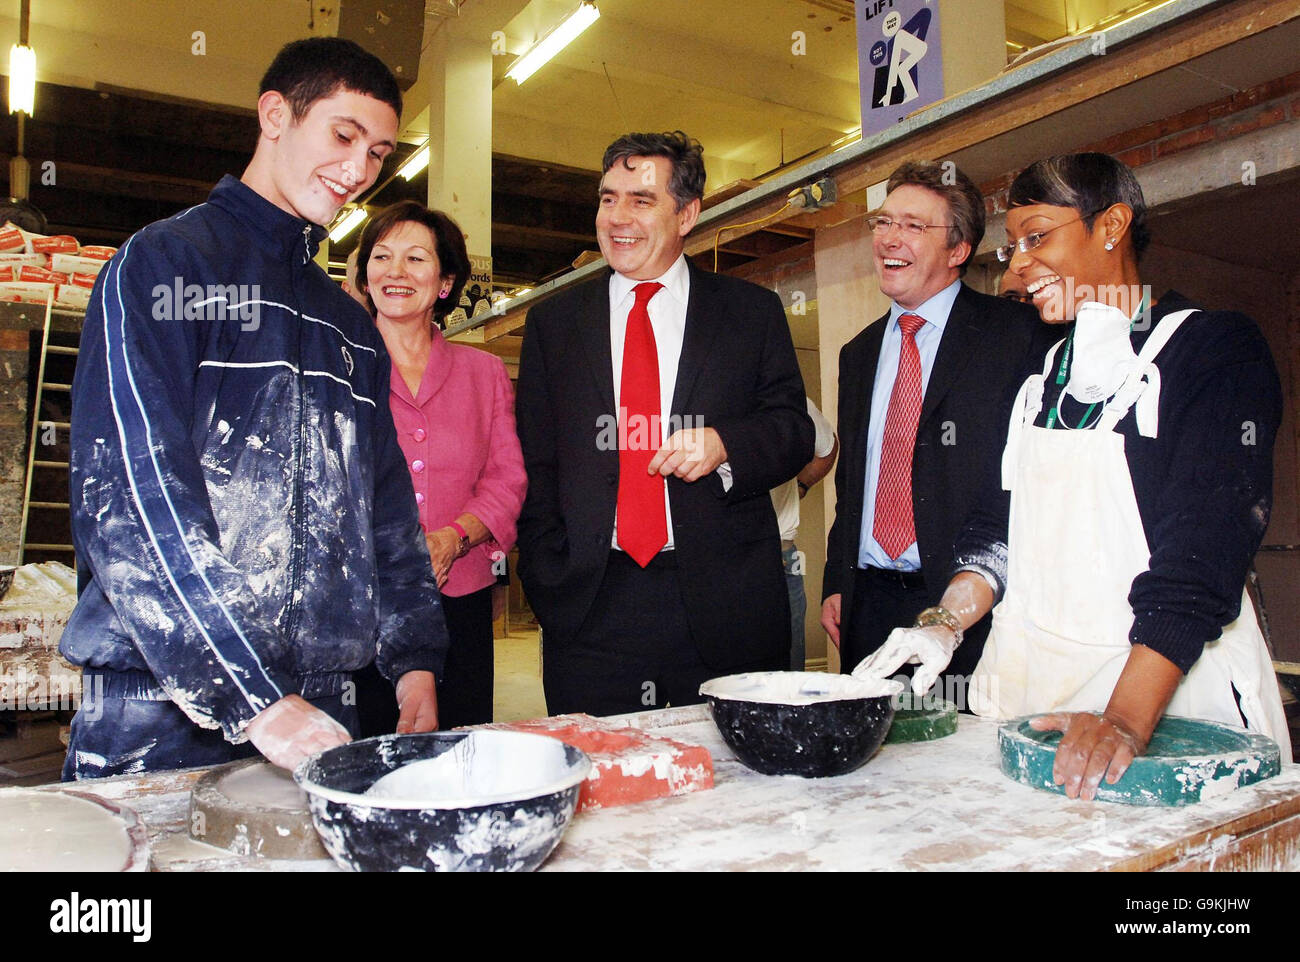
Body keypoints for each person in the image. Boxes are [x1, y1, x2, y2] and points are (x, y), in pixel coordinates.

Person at [60, 38, 447, 779]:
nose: (360, 171)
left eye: (380, 153)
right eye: (343, 135)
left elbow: (386, 508)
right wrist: (250, 694)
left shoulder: (347, 322)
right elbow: (133, 503)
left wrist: (414, 657)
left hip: (322, 702)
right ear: (275, 114)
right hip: (162, 701)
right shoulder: (163, 268)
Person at [859, 152, 1291, 798]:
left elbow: (1202, 558)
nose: (1020, 264)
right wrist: (943, 624)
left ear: (1111, 224)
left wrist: (1122, 721)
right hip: (1044, 700)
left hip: (1165, 706)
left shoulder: (1210, 350)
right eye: (1012, 248)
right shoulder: (1040, 380)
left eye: (1038, 238)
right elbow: (998, 530)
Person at [515, 130, 814, 716]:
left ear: (688, 213)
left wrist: (726, 444)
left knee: (731, 791)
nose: (617, 217)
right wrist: (549, 578)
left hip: (723, 605)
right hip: (590, 606)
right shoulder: (556, 323)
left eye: (641, 200)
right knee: (603, 788)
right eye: (608, 198)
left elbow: (793, 430)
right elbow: (536, 460)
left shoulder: (748, 314)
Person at [820, 160, 1050, 696]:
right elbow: (852, 481)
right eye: (883, 222)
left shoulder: (1017, 336)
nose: (888, 238)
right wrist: (837, 582)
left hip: (969, 607)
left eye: (913, 226)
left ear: (958, 250)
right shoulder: (858, 354)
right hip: (867, 605)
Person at [353, 201, 526, 731]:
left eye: (415, 259)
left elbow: (507, 477)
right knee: (368, 754)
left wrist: (454, 537)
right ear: (365, 277)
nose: (396, 272)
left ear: (445, 283)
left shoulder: (485, 372)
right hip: (363, 598)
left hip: (461, 595)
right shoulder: (339, 368)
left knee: (460, 748)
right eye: (381, 257)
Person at [771, 398, 837, 669]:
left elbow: (827, 447)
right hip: (707, 563)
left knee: (787, 682)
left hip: (781, 559)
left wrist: (802, 485)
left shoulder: (790, 399)